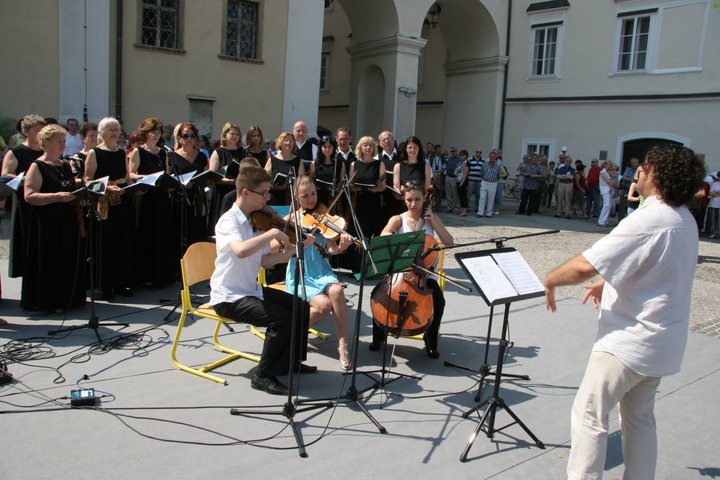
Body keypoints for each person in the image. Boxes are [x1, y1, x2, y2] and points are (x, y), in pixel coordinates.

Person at [544, 144, 705, 480]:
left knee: (589, 414)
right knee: (640, 420)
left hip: (629, 342)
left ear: (657, 175)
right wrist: (607, 283)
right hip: (662, 343)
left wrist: (551, 278)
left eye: (645, 166)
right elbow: (655, 266)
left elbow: (585, 265)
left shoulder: (649, 218)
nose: (638, 171)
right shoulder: (684, 218)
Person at [210, 165, 314, 395]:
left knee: (301, 307)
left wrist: (296, 248)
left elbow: (265, 262)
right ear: (246, 192)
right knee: (282, 319)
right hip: (229, 297)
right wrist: (271, 234)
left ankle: (290, 360)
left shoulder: (255, 221)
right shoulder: (228, 222)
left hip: (250, 289)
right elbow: (240, 251)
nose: (267, 198)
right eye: (264, 193)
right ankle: (263, 375)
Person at [370, 181, 453, 358]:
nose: (413, 204)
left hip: (424, 276)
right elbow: (384, 235)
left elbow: (449, 242)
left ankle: (430, 339)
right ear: (404, 199)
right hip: (399, 272)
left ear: (424, 199)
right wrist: (398, 239)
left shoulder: (432, 220)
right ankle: (378, 336)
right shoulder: (398, 219)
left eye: (417, 199)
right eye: (409, 200)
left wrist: (434, 223)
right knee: (376, 294)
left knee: (439, 301)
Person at [285, 176, 354, 370]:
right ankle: (289, 328)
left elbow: (331, 249)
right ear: (296, 197)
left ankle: (343, 345)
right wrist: (296, 240)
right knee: (323, 306)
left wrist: (342, 247)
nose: (311, 199)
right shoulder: (291, 220)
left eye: (313, 194)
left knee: (337, 291)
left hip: (322, 270)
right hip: (301, 272)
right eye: (305, 196)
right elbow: (277, 247)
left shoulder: (323, 216)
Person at [21, 124, 86, 312]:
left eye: (64, 141)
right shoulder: (37, 166)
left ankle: (68, 298)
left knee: (67, 258)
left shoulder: (65, 165)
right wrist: (56, 197)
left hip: (67, 219)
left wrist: (80, 197)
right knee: (51, 260)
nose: (63, 145)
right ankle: (50, 300)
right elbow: (29, 196)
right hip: (47, 221)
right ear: (45, 142)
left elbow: (70, 189)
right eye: (59, 141)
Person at [84, 117, 135, 300]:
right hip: (104, 203)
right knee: (106, 244)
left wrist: (134, 188)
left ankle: (122, 282)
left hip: (121, 201)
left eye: (116, 129)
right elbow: (88, 180)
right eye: (110, 130)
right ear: (101, 133)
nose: (114, 133)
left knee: (122, 242)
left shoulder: (121, 153)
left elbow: (126, 177)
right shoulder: (95, 153)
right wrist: (107, 188)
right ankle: (106, 286)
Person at [127, 117, 176, 287]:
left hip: (160, 197)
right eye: (152, 132)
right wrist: (146, 177)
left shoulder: (163, 152)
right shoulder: (138, 151)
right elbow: (131, 173)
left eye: (158, 132)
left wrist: (170, 182)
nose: (156, 135)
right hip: (145, 195)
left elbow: (166, 173)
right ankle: (145, 276)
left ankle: (161, 274)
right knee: (146, 233)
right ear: (145, 133)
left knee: (161, 233)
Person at [2, 114, 46, 279]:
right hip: (24, 200)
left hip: (44, 200)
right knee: (25, 237)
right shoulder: (17, 151)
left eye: (43, 130)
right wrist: (27, 179)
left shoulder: (46, 151)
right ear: (26, 132)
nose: (40, 133)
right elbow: (6, 175)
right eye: (37, 130)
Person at [349, 135, 386, 240]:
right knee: (360, 231)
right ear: (360, 147)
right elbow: (351, 184)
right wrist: (354, 188)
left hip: (374, 201)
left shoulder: (379, 164)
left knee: (375, 231)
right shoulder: (354, 164)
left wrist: (377, 189)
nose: (368, 148)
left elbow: (383, 186)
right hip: (359, 202)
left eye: (370, 145)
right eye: (365, 145)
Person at [264, 131, 305, 205]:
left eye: (291, 141)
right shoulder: (272, 160)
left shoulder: (298, 160)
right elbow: (264, 178)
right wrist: (271, 185)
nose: (288, 143)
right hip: (274, 196)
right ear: (280, 142)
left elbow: (302, 180)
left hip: (291, 198)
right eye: (286, 140)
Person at [310, 135, 345, 207]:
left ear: (333, 148)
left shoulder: (339, 162)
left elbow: (343, 180)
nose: (327, 149)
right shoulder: (315, 163)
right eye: (324, 146)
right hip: (319, 196)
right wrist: (315, 186)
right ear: (320, 147)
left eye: (330, 146)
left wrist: (338, 188)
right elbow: (310, 179)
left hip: (333, 197)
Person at [597, 160, 617, 227]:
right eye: (608, 165)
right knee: (606, 205)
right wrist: (614, 181)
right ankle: (601, 221)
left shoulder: (608, 172)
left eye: (610, 165)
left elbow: (612, 181)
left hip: (610, 190)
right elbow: (609, 181)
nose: (609, 166)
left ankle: (605, 220)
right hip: (605, 190)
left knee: (609, 206)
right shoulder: (603, 172)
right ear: (605, 164)